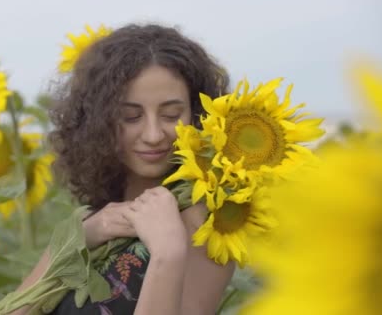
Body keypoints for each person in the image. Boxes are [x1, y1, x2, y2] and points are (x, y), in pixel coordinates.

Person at [13, 24, 234, 314]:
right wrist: (78, 241)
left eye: (171, 114)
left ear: (197, 115)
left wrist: (167, 253)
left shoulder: (206, 230)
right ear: (98, 123)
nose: (154, 134)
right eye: (130, 116)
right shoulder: (90, 221)